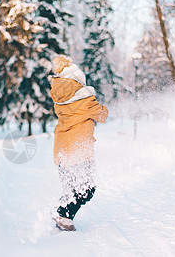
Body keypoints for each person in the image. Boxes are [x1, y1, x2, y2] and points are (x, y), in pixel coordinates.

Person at [49, 55, 109, 231]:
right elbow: (103, 116)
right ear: (78, 80)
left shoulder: (59, 98)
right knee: (88, 189)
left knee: (71, 189)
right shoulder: (86, 100)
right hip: (79, 150)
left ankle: (62, 216)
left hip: (62, 149)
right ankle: (62, 215)